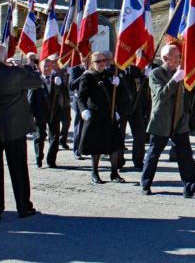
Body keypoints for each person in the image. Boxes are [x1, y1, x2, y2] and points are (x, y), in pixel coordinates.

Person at [140, 44, 195, 198]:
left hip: (179, 121)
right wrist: (175, 80)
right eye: (175, 56)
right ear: (165, 58)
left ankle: (190, 189)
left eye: (179, 56)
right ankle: (145, 184)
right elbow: (161, 95)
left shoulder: (181, 73)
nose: (178, 59)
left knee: (186, 157)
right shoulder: (156, 74)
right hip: (161, 122)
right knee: (153, 155)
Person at [0, 44, 42, 220]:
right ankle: (23, 206)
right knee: (19, 168)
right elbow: (37, 81)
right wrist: (24, 67)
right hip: (14, 127)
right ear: (5, 56)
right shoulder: (15, 72)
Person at [78, 51, 124, 184]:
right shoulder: (88, 77)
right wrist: (83, 110)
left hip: (109, 115)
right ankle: (95, 173)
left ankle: (114, 173)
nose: (102, 63)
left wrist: (118, 85)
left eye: (104, 61)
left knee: (114, 146)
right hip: (95, 115)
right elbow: (81, 97)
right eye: (98, 61)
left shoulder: (110, 75)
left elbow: (118, 95)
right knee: (96, 146)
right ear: (92, 63)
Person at [28, 58, 68, 168]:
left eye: (48, 66)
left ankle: (51, 160)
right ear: (40, 67)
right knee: (39, 137)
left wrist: (61, 85)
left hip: (54, 113)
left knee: (55, 137)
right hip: (40, 113)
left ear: (52, 67)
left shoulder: (57, 79)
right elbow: (31, 99)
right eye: (44, 66)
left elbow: (65, 95)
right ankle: (38, 158)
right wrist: (31, 116)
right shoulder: (36, 80)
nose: (46, 68)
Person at [69, 56, 88, 160]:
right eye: (84, 58)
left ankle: (85, 148)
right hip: (79, 102)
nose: (86, 60)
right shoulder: (75, 69)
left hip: (90, 102)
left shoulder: (92, 69)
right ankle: (76, 150)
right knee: (79, 128)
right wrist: (83, 76)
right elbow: (71, 85)